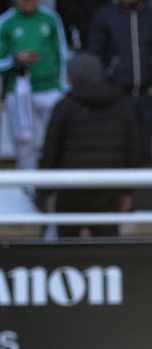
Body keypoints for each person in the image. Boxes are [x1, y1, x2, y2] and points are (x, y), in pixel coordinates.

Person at [40, 52, 141, 238]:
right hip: (109, 189)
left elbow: (50, 152)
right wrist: (127, 191)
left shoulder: (65, 106)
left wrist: (43, 192)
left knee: (65, 251)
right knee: (107, 250)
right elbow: (133, 149)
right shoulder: (122, 105)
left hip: (70, 189)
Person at [0, 0, 69, 171]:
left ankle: (57, 186)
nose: (30, 2)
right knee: (25, 143)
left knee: (60, 138)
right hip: (20, 90)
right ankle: (28, 188)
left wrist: (63, 87)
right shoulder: (4, 23)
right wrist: (15, 60)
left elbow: (62, 54)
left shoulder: (51, 19)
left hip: (50, 89)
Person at [87, 0, 152, 164]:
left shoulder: (149, 17)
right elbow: (95, 55)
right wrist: (106, 86)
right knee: (118, 147)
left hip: (146, 95)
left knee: (145, 147)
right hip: (117, 95)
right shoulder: (105, 16)